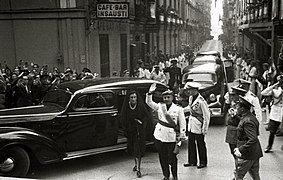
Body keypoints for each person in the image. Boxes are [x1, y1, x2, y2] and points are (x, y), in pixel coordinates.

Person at [146, 84, 186, 180]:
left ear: (172, 98)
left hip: (171, 137)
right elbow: (149, 102)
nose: (166, 99)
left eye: (168, 97)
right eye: (165, 97)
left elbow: (182, 124)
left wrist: (181, 138)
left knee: (172, 158)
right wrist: (150, 93)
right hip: (160, 136)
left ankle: (175, 175)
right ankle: (166, 175)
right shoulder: (160, 106)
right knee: (162, 157)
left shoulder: (178, 109)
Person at [120, 89, 151, 178]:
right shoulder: (126, 107)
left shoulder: (140, 106)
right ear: (129, 99)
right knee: (132, 149)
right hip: (131, 131)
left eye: (134, 97)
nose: (133, 99)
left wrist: (141, 123)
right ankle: (135, 163)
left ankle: (138, 169)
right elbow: (123, 118)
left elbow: (146, 117)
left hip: (139, 131)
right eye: (131, 97)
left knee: (138, 150)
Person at [233, 95, 263, 180]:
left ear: (243, 109)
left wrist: (241, 149)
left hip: (247, 154)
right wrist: (235, 116)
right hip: (254, 153)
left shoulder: (248, 121)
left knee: (239, 175)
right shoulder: (249, 117)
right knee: (255, 175)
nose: (236, 109)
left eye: (238, 107)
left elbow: (253, 138)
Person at [183, 82, 210, 169]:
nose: (189, 91)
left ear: (195, 90)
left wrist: (205, 128)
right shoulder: (191, 98)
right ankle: (192, 161)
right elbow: (189, 108)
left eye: (190, 90)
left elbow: (206, 115)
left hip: (199, 124)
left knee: (200, 144)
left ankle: (203, 162)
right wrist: (180, 110)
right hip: (191, 124)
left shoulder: (201, 101)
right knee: (191, 143)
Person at [261, 75, 283, 153]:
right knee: (272, 131)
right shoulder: (275, 90)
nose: (281, 83)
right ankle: (269, 146)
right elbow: (263, 92)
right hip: (275, 111)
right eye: (279, 81)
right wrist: (273, 86)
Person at [225, 89, 241, 179]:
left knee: (237, 153)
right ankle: (237, 170)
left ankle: (238, 172)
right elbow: (224, 111)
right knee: (232, 152)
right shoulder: (230, 104)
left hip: (237, 129)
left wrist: (235, 115)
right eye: (230, 95)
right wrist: (227, 102)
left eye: (233, 95)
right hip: (230, 130)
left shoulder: (241, 105)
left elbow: (243, 120)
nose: (231, 97)